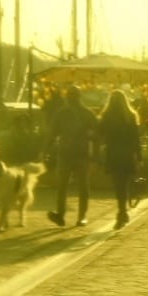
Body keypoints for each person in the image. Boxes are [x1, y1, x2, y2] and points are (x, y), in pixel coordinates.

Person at [45, 87, 96, 227]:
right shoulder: (86, 113)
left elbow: (51, 133)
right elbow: (97, 135)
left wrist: (45, 150)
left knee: (65, 186)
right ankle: (79, 216)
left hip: (71, 154)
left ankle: (66, 214)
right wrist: (94, 155)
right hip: (77, 154)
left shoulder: (64, 113)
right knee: (81, 186)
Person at [97, 91, 141, 229]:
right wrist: (139, 157)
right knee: (125, 183)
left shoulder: (107, 116)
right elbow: (136, 139)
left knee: (118, 185)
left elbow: (100, 134)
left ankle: (122, 212)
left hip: (113, 154)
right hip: (127, 154)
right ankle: (123, 212)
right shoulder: (131, 116)